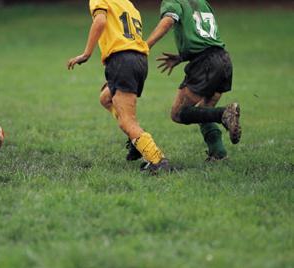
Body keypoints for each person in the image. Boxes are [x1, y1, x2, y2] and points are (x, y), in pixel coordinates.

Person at [67, 0, 169, 173]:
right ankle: (136, 138)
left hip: (122, 60)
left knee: (127, 121)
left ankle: (157, 160)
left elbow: (100, 21)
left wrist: (86, 53)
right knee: (106, 98)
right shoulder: (129, 5)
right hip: (139, 60)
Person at [146, 0, 241, 161]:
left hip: (205, 64)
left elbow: (168, 21)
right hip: (223, 60)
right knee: (204, 111)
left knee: (178, 113)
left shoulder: (173, 1)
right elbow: (203, 36)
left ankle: (224, 114)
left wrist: (144, 46)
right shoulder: (202, 3)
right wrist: (182, 57)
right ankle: (218, 154)